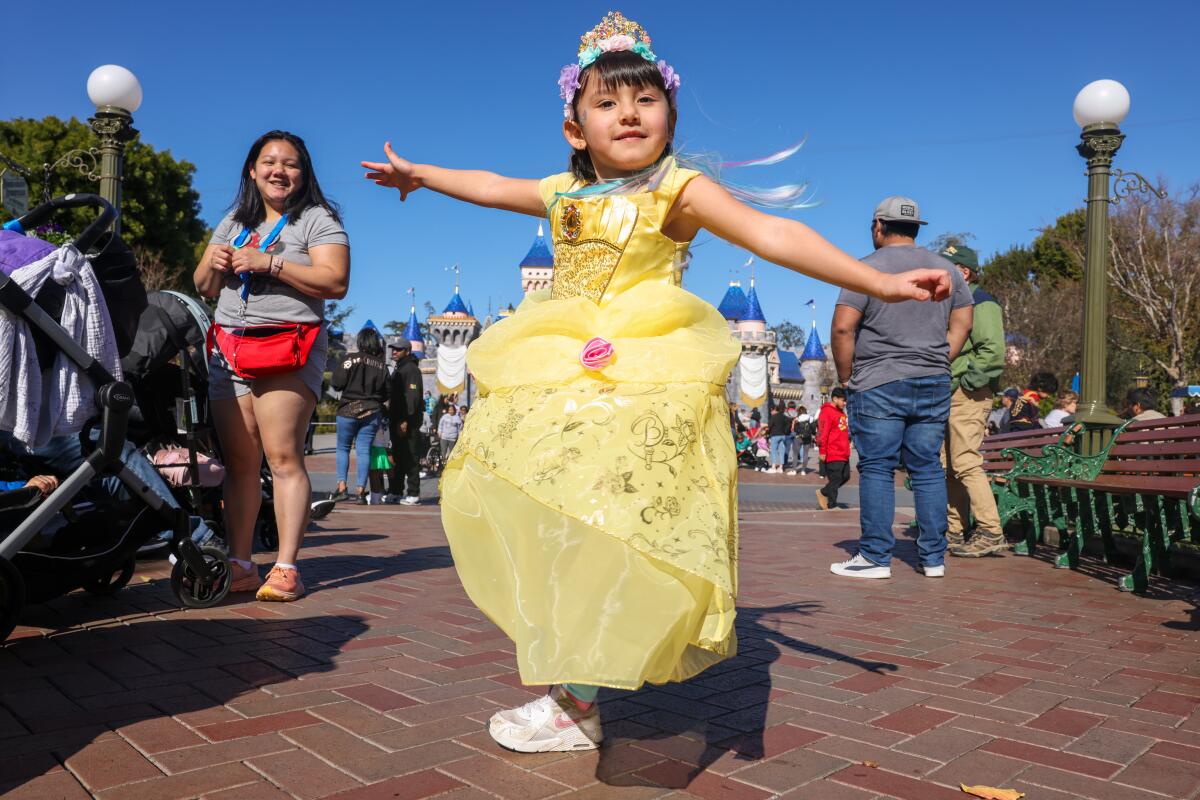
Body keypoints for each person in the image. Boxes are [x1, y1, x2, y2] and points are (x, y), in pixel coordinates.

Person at [362, 12, 950, 754]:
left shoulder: (678, 189)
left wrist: (877, 284)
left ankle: (576, 697)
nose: (628, 113)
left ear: (669, 114)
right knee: (551, 520)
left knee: (613, 529)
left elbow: (772, 234)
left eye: (644, 98)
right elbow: (487, 184)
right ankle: (574, 691)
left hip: (641, 378)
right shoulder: (561, 195)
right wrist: (420, 174)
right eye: (606, 102)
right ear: (576, 128)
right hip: (561, 374)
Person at [194, 130, 350, 602]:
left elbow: (335, 280)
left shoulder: (317, 220)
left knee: (282, 458)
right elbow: (203, 285)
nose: (279, 170)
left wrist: (270, 263)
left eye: (291, 164)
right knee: (239, 463)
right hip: (229, 349)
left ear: (304, 174)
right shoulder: (234, 221)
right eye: (269, 161)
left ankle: (285, 567)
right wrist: (215, 262)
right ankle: (240, 563)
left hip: (286, 348)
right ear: (252, 170)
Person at [829, 196, 973, 580]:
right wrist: (942, 357)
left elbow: (844, 327)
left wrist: (847, 378)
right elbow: (963, 320)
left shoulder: (867, 269)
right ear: (916, 228)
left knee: (877, 467)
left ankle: (876, 557)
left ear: (878, 226)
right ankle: (933, 558)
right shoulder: (946, 269)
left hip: (879, 379)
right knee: (927, 468)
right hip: (932, 379)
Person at [937, 245, 1008, 558]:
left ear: (963, 272)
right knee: (947, 466)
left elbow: (992, 351)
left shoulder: (981, 301)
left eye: (947, 268)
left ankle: (990, 531)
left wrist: (967, 382)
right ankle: (954, 531)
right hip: (950, 391)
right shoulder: (954, 302)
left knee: (964, 461)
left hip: (967, 392)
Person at [330, 328, 390, 505]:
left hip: (347, 410)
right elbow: (388, 392)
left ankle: (342, 488)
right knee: (363, 451)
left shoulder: (349, 360)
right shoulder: (381, 366)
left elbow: (336, 383)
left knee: (343, 448)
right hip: (371, 413)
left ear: (360, 341)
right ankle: (361, 492)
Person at [388, 339, 425, 505]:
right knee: (398, 458)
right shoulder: (400, 369)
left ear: (407, 351)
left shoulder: (411, 369)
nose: (394, 351)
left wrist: (405, 420)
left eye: (399, 349)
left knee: (410, 458)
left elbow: (413, 398)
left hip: (408, 423)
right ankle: (396, 491)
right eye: (393, 349)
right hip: (397, 421)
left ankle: (413, 493)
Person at [815, 389, 850, 509]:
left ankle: (825, 493)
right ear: (834, 399)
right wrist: (822, 451)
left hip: (843, 452)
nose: (844, 403)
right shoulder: (827, 412)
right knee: (836, 478)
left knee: (845, 476)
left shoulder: (841, 413)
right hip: (833, 451)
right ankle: (831, 503)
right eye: (842, 400)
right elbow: (822, 433)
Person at [787, 405, 815, 476]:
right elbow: (813, 429)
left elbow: (794, 429)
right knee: (805, 454)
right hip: (808, 438)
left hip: (798, 437)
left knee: (795, 454)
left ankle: (794, 470)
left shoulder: (797, 418)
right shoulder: (810, 418)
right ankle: (803, 471)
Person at [766, 402, 790, 474]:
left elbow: (769, 426)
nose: (771, 412)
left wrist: (767, 432)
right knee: (782, 451)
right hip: (783, 436)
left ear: (774, 410)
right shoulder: (784, 416)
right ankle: (781, 467)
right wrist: (785, 431)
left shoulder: (773, 417)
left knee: (774, 451)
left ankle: (773, 467)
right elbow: (789, 423)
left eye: (771, 410)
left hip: (775, 435)